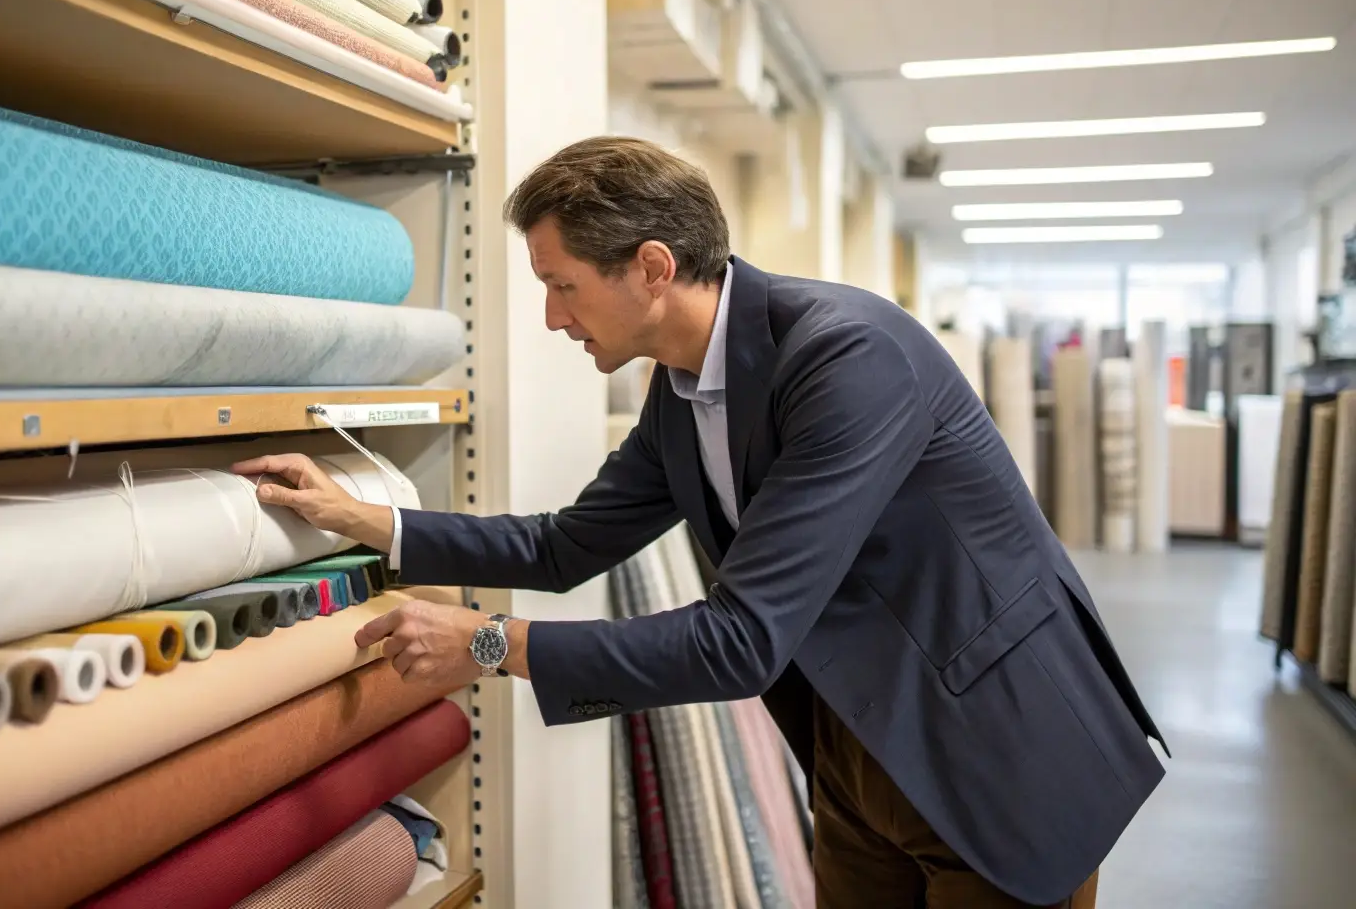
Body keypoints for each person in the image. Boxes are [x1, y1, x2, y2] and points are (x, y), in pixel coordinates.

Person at [232, 137, 1165, 908]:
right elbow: (564, 546)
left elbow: (741, 640)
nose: (553, 318)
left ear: (650, 268)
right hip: (854, 746)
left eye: (562, 286)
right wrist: (364, 518)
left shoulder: (848, 359)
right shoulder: (682, 392)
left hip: (990, 748)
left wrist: (486, 646)